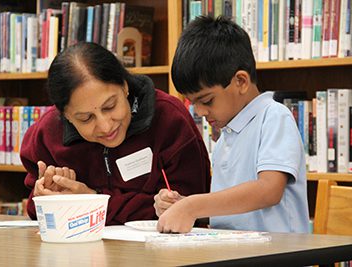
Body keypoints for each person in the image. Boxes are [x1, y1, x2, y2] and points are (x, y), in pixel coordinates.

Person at [20, 42, 211, 225]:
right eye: (86, 119)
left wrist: (94, 203)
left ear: (125, 86)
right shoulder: (46, 134)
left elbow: (193, 207)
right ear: (65, 115)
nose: (105, 126)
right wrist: (46, 199)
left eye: (110, 106)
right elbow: (34, 210)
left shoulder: (169, 119)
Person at [154, 16, 309, 233]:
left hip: (278, 255)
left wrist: (193, 206)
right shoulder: (227, 134)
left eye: (207, 100)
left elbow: (268, 190)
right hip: (235, 253)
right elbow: (234, 209)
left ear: (241, 81)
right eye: (192, 102)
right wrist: (181, 205)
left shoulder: (274, 116)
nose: (199, 111)